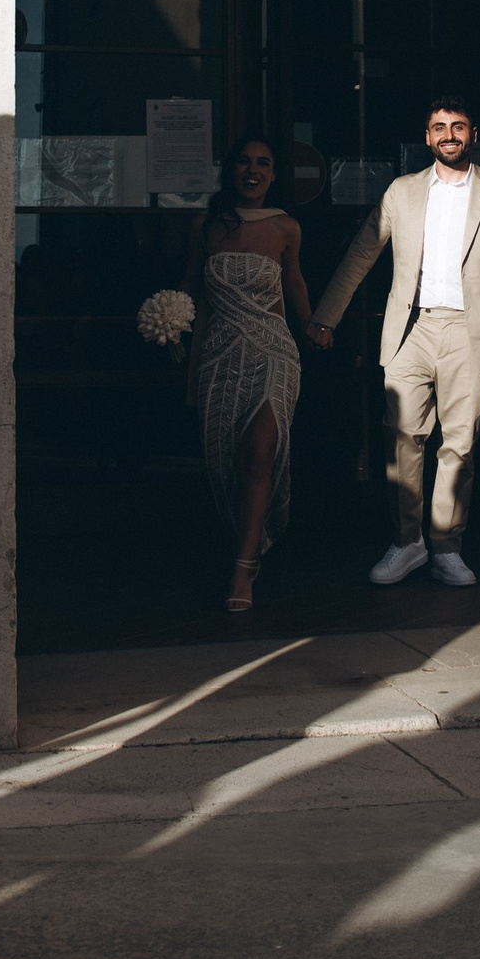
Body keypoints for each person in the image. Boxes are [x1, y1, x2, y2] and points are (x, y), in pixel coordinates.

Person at [307, 96, 480, 588]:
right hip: (409, 331)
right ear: (427, 137)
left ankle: (447, 547)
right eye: (440, 127)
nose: (449, 135)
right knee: (402, 437)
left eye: (458, 127)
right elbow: (360, 256)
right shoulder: (401, 192)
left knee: (458, 446)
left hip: (470, 331)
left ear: (472, 135)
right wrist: (327, 316)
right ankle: (408, 542)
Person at [179, 137, 311, 612]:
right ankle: (248, 541)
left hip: (274, 351)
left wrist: (315, 325)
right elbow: (190, 287)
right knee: (225, 462)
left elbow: (293, 283)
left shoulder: (285, 227)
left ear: (273, 175)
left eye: (264, 163)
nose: (253, 170)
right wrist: (171, 324)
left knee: (260, 452)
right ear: (230, 170)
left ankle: (243, 568)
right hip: (219, 356)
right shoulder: (207, 225)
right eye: (244, 162)